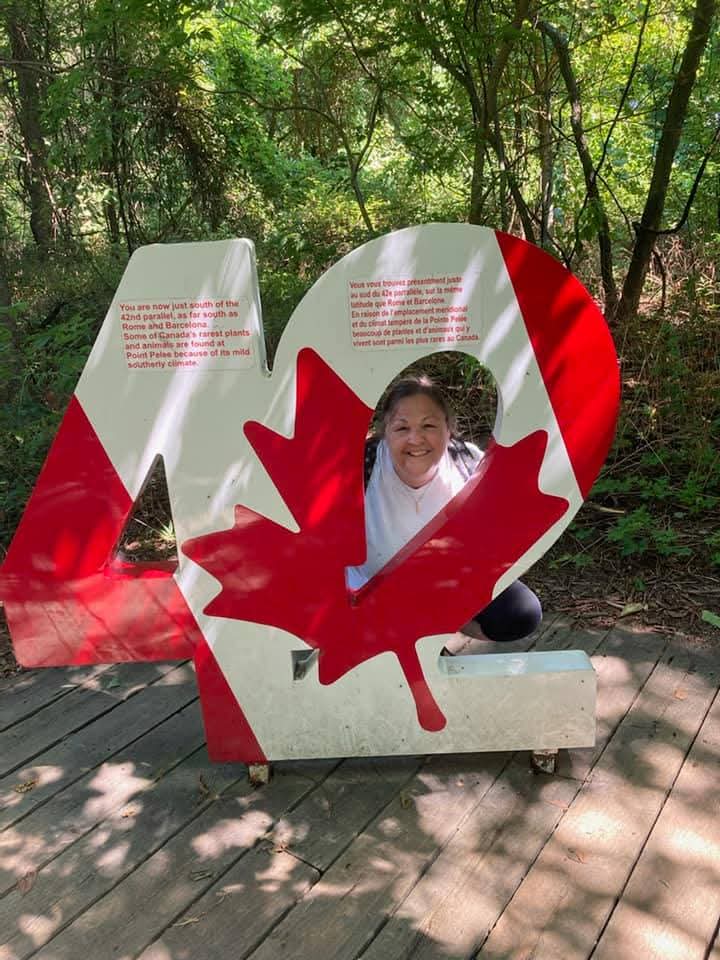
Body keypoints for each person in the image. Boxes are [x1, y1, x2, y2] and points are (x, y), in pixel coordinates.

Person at [347, 375, 542, 653]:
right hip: (371, 591)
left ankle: (434, 631)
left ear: (448, 429)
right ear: (385, 431)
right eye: (402, 427)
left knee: (519, 612)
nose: (415, 439)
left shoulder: (468, 462)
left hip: (446, 585)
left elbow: (504, 529)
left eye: (429, 425)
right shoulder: (361, 466)